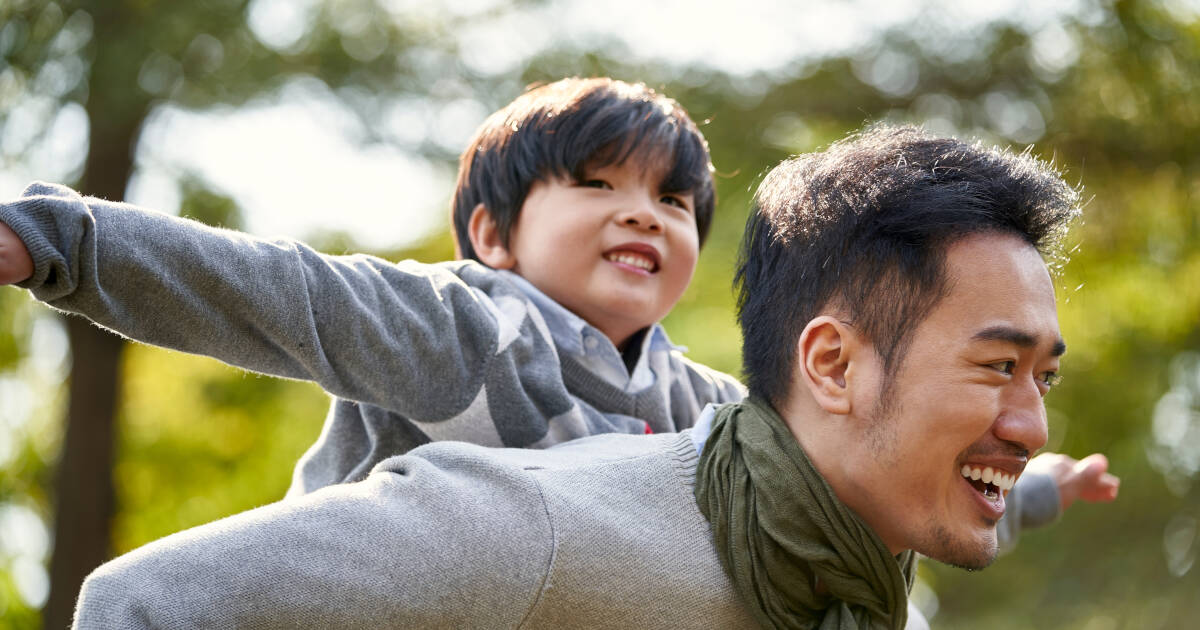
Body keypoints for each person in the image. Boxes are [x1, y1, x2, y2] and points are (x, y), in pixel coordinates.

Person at [61, 125, 1117, 629]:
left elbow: (888, 463)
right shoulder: (464, 347)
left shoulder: (716, 425)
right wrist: (59, 241)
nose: (642, 215)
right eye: (597, 185)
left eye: (673, 202)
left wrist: (1032, 492)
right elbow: (270, 293)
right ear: (491, 234)